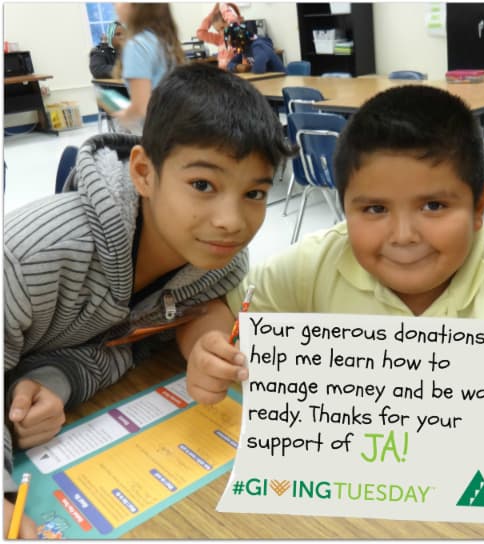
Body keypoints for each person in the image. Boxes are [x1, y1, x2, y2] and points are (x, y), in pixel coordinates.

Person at [177, 85, 484, 468]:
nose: (403, 237)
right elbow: (217, 313)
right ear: (344, 207)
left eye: (433, 206)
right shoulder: (311, 265)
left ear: (479, 205)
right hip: (338, 494)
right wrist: (208, 349)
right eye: (374, 209)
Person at [2, 62, 293, 539]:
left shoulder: (221, 260)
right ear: (143, 173)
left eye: (255, 192)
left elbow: (196, 308)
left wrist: (207, 344)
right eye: (203, 185)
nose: (231, 221)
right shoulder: (29, 254)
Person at [111, 3, 185, 133]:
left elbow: (142, 108)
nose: (114, 4)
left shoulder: (137, 45)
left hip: (159, 131)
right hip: (176, 124)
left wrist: (122, 115)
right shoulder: (163, 40)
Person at [196, 2, 243, 71]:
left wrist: (222, 5)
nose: (221, 32)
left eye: (222, 28)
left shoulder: (237, 35)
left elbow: (233, 22)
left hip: (237, 73)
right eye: (218, 31)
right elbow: (200, 33)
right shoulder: (220, 39)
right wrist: (212, 13)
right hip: (224, 74)